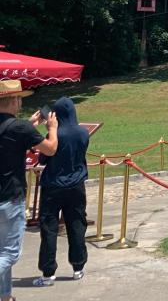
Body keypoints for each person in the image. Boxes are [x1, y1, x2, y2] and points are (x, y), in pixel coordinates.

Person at [0, 79, 58, 301]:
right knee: (10, 253)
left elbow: (12, 138)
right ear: (15, 100)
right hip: (10, 197)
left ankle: (5, 296)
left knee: (1, 251)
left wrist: (30, 124)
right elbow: (50, 149)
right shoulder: (20, 128)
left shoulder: (19, 128)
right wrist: (52, 129)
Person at [34, 97, 89, 286]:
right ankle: (78, 266)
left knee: (49, 227)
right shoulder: (83, 132)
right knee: (76, 224)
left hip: (53, 185)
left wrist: (49, 131)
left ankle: (48, 271)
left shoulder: (55, 134)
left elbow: (43, 158)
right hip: (76, 184)